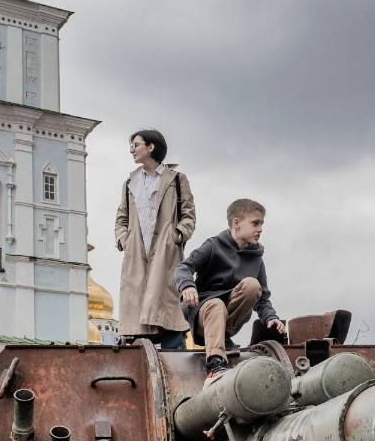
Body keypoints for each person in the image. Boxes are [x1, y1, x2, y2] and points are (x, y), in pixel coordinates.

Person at [174, 198, 286, 381]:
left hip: (230, 316)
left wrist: (271, 317)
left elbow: (263, 297)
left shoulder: (256, 257)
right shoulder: (213, 246)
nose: (260, 229)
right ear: (236, 223)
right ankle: (215, 364)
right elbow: (184, 267)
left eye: (262, 224)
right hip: (204, 311)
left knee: (252, 285)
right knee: (216, 305)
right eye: (255, 223)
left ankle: (224, 336)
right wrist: (187, 285)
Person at [114, 129, 196, 349]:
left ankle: (175, 367)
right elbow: (121, 217)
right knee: (139, 323)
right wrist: (125, 240)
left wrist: (177, 236)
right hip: (137, 254)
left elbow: (188, 215)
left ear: (151, 147)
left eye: (136, 145)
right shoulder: (130, 182)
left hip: (166, 253)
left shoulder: (177, 179)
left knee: (169, 316)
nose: (132, 149)